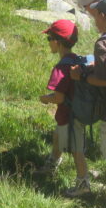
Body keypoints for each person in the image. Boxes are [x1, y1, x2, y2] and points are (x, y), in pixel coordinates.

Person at [36, 19, 90, 197]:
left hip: (70, 116)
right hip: (77, 112)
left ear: (57, 42)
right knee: (58, 135)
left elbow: (59, 97)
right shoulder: (77, 60)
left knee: (76, 150)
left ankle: (83, 183)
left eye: (48, 39)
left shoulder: (61, 68)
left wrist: (46, 99)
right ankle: (51, 165)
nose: (48, 43)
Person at [71, 0, 106, 179]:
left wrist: (81, 75)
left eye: (96, 15)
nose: (95, 19)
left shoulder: (104, 43)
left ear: (104, 16)